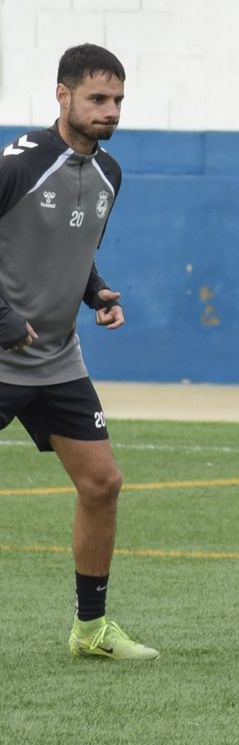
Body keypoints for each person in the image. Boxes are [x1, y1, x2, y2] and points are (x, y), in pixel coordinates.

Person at [0, 44, 156, 661]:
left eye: (117, 99)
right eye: (97, 99)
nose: (109, 110)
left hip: (58, 359)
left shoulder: (109, 174)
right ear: (62, 96)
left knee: (102, 483)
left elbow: (72, 243)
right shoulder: (19, 163)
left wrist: (96, 292)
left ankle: (90, 629)